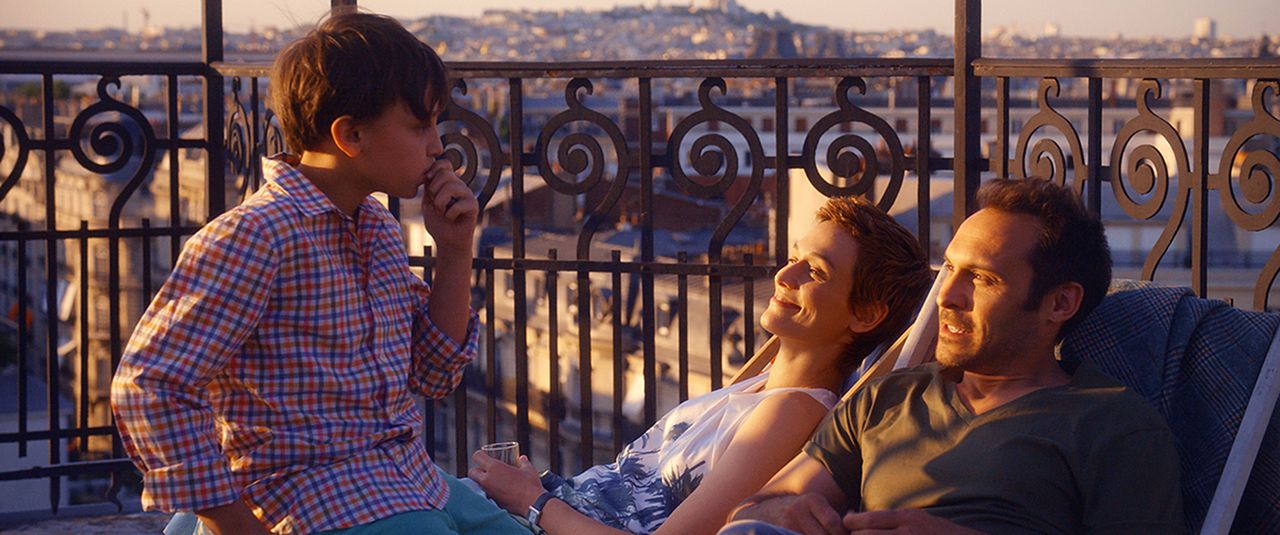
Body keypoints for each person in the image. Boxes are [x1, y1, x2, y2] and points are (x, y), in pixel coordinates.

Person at [110, 12, 511, 535]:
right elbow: (148, 386)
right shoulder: (257, 236)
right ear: (351, 134)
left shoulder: (377, 228)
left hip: (401, 478)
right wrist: (232, 524)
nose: (437, 145)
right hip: (304, 493)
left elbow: (434, 374)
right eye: (420, 126)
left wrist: (456, 252)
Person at [722, 179, 1185, 535]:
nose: (947, 295)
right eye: (949, 268)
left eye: (981, 279)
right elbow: (749, 513)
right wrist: (785, 510)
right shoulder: (889, 399)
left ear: (1060, 303)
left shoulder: (1111, 423)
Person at [466, 195, 935, 535]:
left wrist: (532, 501)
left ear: (866, 314)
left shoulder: (792, 412)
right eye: (794, 258)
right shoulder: (763, 382)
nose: (783, 275)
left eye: (815, 271)